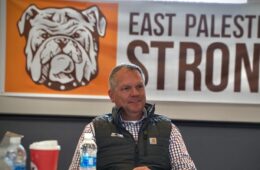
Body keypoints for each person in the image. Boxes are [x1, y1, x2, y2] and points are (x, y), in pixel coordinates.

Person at [69, 63, 196, 170]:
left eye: (139, 86)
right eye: (126, 88)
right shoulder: (94, 131)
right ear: (111, 95)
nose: (135, 93)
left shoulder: (168, 129)